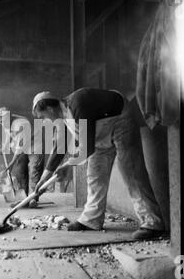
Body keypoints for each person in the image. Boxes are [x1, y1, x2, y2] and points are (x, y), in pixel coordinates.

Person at [32, 89, 165, 240]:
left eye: (43, 117)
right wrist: (44, 178)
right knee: (94, 175)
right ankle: (91, 219)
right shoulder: (61, 119)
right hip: (99, 135)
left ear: (49, 109)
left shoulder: (77, 103)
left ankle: (153, 223)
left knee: (132, 171)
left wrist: (69, 165)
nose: (44, 121)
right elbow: (59, 147)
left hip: (120, 120)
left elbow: (86, 147)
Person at [0, 107, 44, 208]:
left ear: (9, 117)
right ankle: (23, 199)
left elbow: (19, 148)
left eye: (3, 121)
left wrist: (11, 163)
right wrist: (4, 147)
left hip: (35, 147)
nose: (2, 124)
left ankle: (33, 199)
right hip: (22, 147)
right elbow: (8, 134)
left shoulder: (21, 124)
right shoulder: (6, 122)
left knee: (33, 172)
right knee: (20, 172)